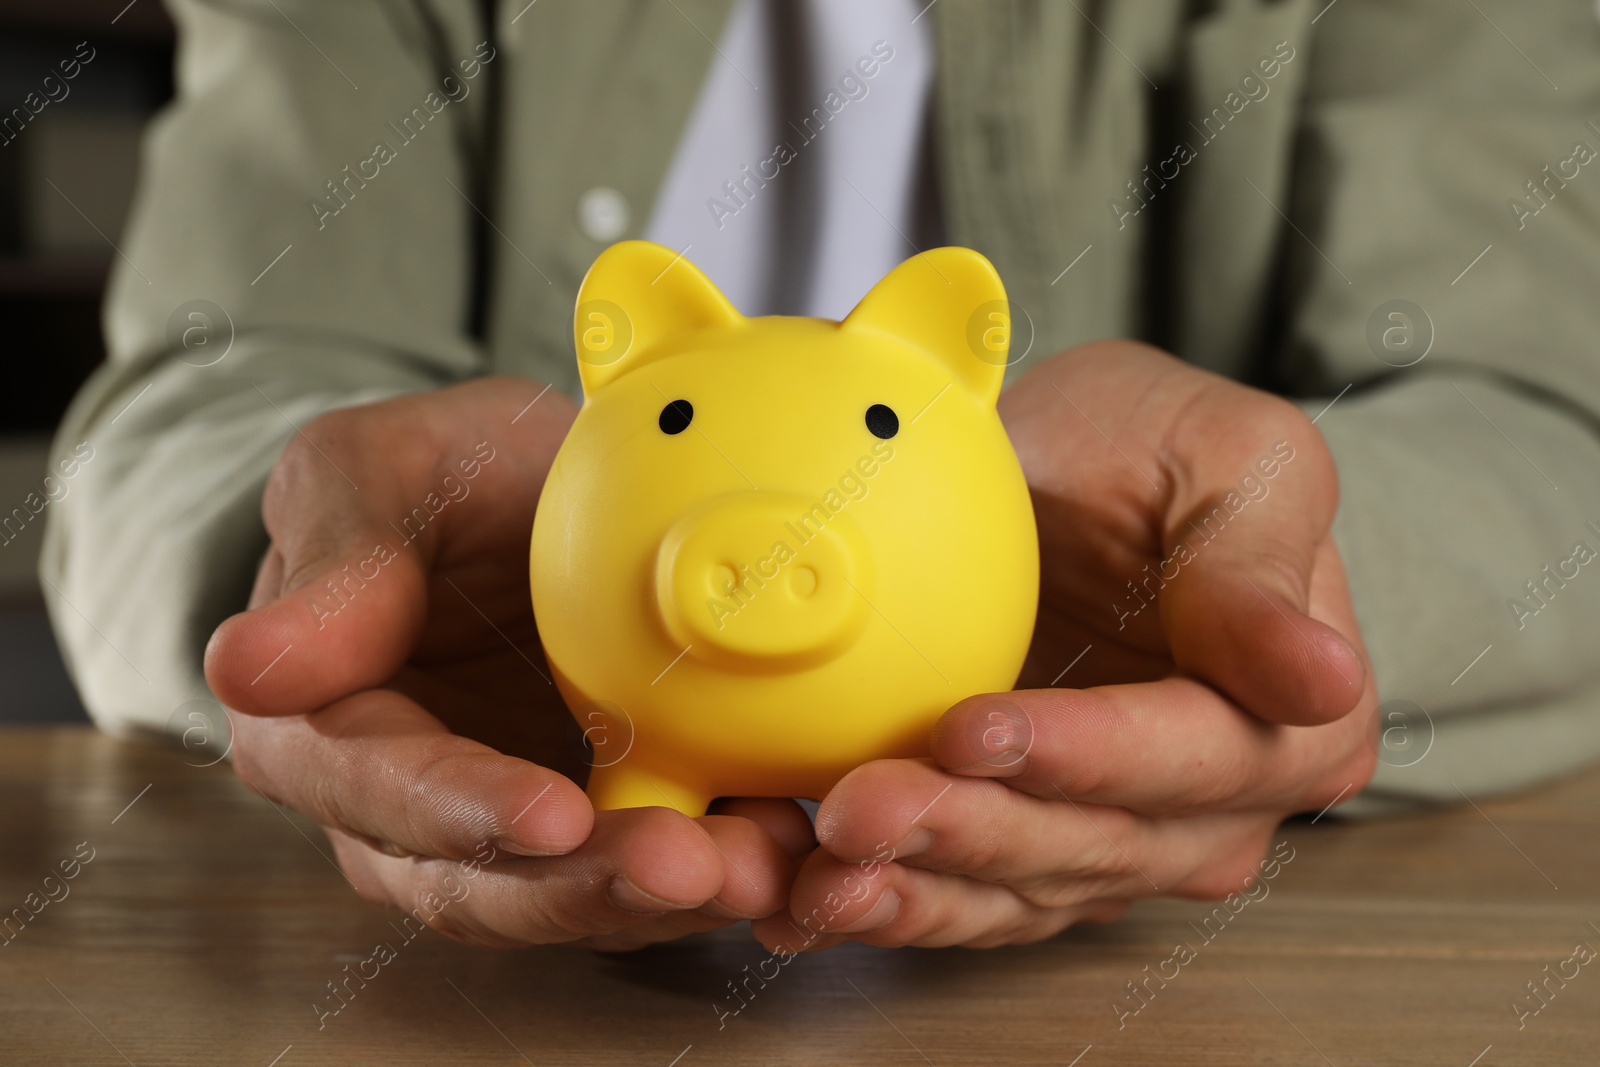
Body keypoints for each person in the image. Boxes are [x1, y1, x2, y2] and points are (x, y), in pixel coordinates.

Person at [41, 0, 1600, 952]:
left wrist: (1260, 579)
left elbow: (1548, 421)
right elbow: (202, 378)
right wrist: (316, 552)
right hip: (545, 803)